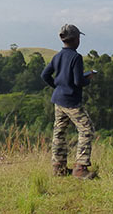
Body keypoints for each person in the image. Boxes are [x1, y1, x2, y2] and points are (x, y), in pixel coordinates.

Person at [41, 24, 98, 179]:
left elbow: (45, 75)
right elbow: (78, 81)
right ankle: (80, 167)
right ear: (75, 40)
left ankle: (58, 167)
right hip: (71, 101)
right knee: (87, 129)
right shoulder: (76, 57)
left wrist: (57, 86)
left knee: (59, 132)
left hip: (58, 100)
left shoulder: (57, 56)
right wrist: (89, 79)